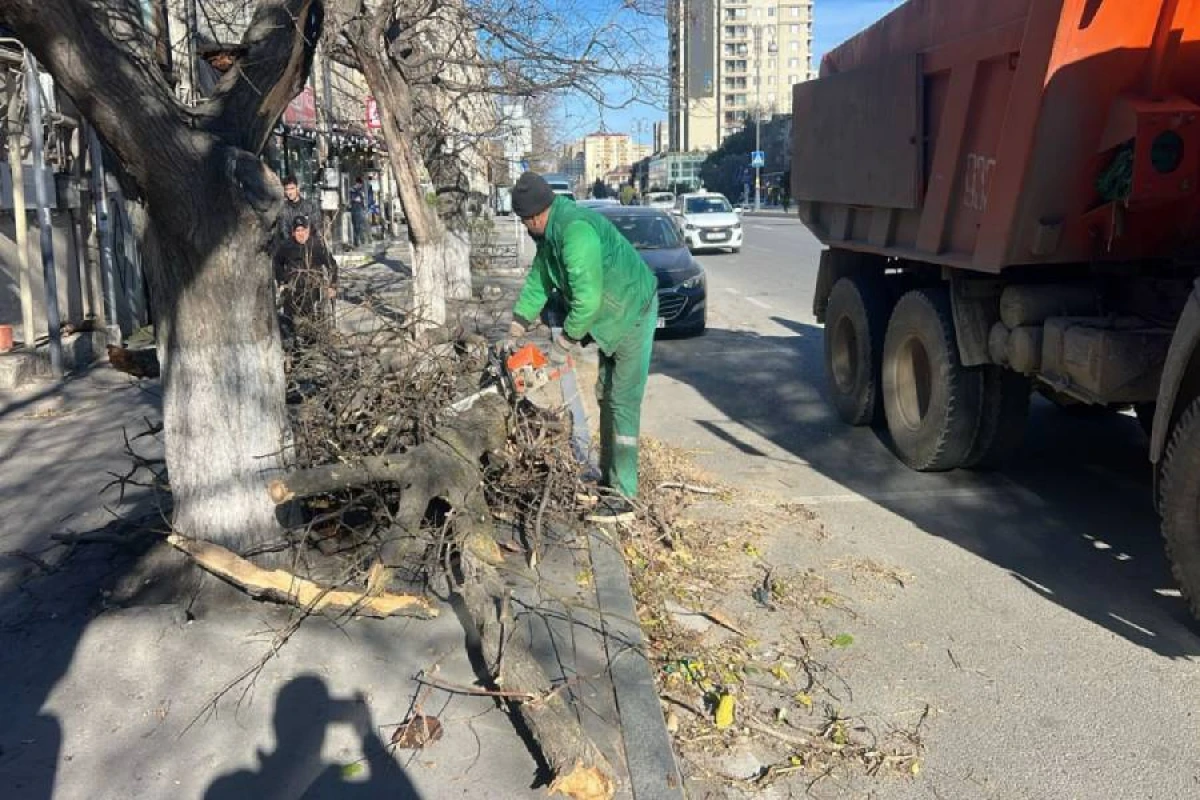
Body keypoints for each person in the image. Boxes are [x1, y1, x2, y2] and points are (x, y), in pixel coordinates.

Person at [507, 171, 658, 524]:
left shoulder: (574, 232)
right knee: (605, 393)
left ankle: (624, 498)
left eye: (526, 222)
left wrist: (565, 344)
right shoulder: (551, 234)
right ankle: (608, 480)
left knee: (622, 400)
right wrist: (514, 327)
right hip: (612, 318)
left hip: (633, 311)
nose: (526, 228)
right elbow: (539, 281)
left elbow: (587, 302)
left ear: (536, 216)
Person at [273, 215, 337, 336]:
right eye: (298, 231)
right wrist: (281, 281)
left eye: (303, 230)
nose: (301, 234)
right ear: (293, 232)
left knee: (312, 327)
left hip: (313, 292)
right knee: (291, 326)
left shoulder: (316, 246)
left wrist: (332, 286)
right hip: (292, 292)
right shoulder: (287, 246)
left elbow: (332, 265)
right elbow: (277, 262)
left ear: (308, 231)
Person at [277, 174, 320, 249]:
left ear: (297, 188)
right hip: (292, 250)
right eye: (287, 189)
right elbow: (284, 234)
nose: (289, 192)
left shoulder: (310, 207)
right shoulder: (283, 211)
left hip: (310, 248)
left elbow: (316, 229)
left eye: (292, 188)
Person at [348, 177, 368, 248]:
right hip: (355, 209)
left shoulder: (360, 190)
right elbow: (352, 199)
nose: (361, 186)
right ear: (358, 183)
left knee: (360, 225)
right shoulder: (352, 190)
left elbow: (362, 200)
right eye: (360, 184)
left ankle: (360, 240)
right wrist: (356, 199)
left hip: (360, 209)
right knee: (356, 226)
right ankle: (356, 242)